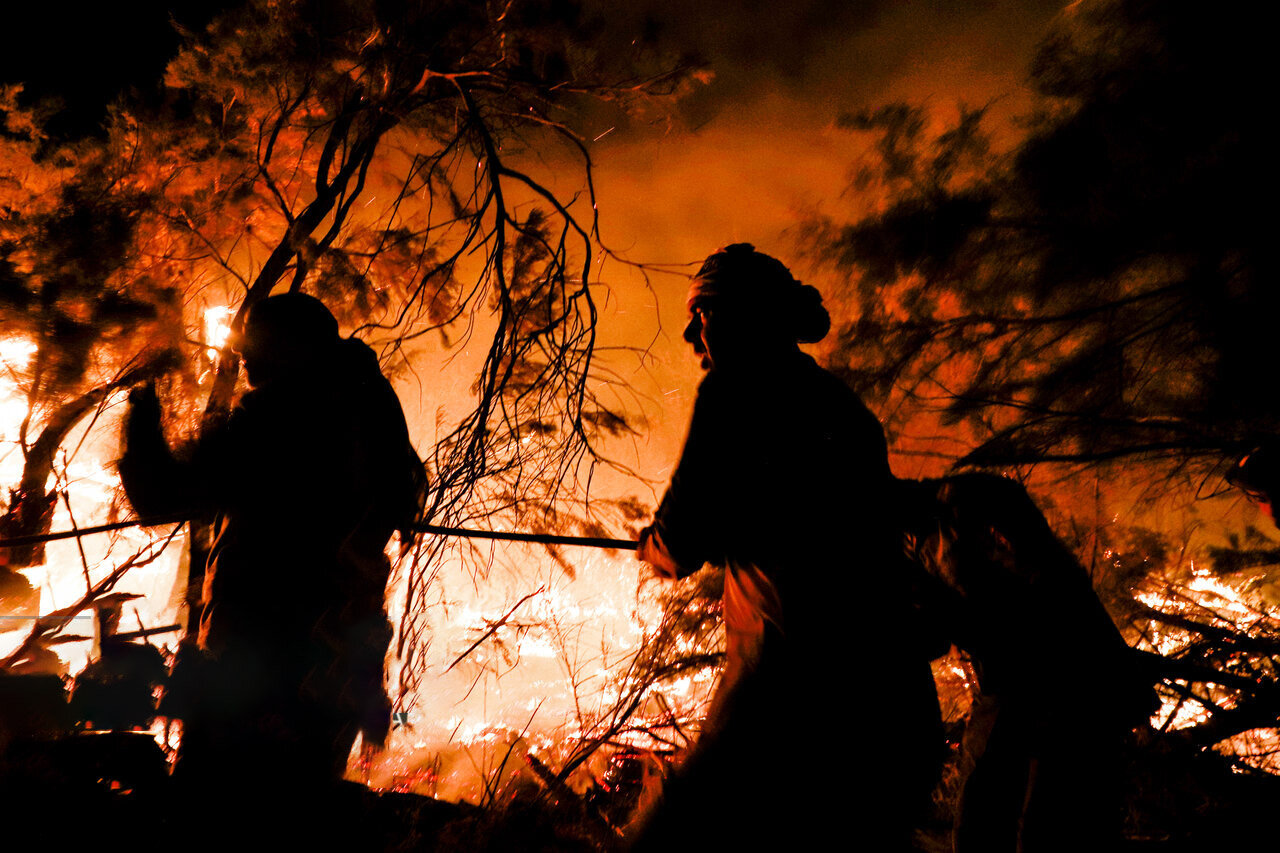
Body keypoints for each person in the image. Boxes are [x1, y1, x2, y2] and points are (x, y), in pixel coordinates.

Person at [631, 244, 943, 850]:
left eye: (705, 315)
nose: (695, 335)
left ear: (743, 316)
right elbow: (818, 517)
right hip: (888, 689)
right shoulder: (841, 406)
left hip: (786, 685)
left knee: (670, 839)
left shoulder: (733, 391)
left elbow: (681, 540)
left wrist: (652, 545)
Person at [118, 292, 424, 800]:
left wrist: (141, 416)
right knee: (295, 816)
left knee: (218, 816)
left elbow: (163, 497)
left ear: (289, 345)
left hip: (260, 667)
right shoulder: (368, 410)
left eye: (253, 342)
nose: (243, 356)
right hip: (334, 673)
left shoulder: (281, 417)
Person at [899, 472, 1155, 852]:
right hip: (1010, 680)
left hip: (1069, 677)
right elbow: (933, 632)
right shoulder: (906, 541)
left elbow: (1045, 578)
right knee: (986, 817)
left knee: (1046, 823)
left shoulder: (965, 501)